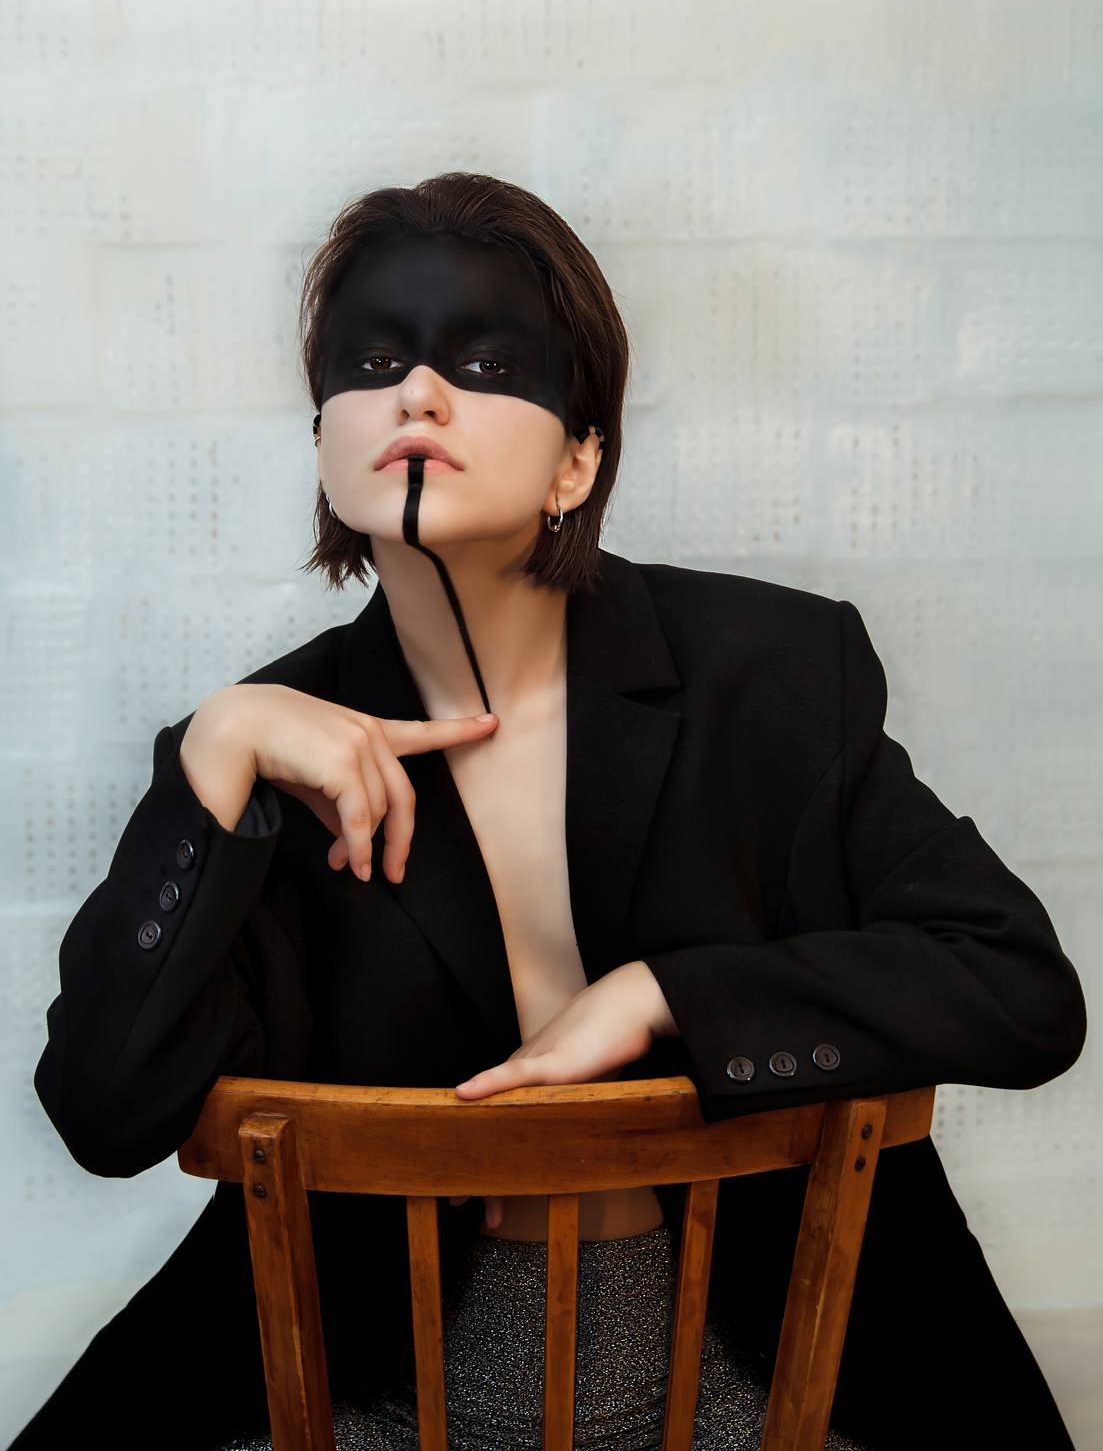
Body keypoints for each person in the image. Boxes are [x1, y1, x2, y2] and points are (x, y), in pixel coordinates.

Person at [8, 172, 1085, 1451]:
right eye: (372, 363)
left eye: (484, 364)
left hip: (766, 1374)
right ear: (323, 441)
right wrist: (216, 752)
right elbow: (104, 1115)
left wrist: (663, 996)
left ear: (579, 457)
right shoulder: (261, 754)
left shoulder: (776, 673)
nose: (416, 393)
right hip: (370, 1387)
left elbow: (1019, 988)